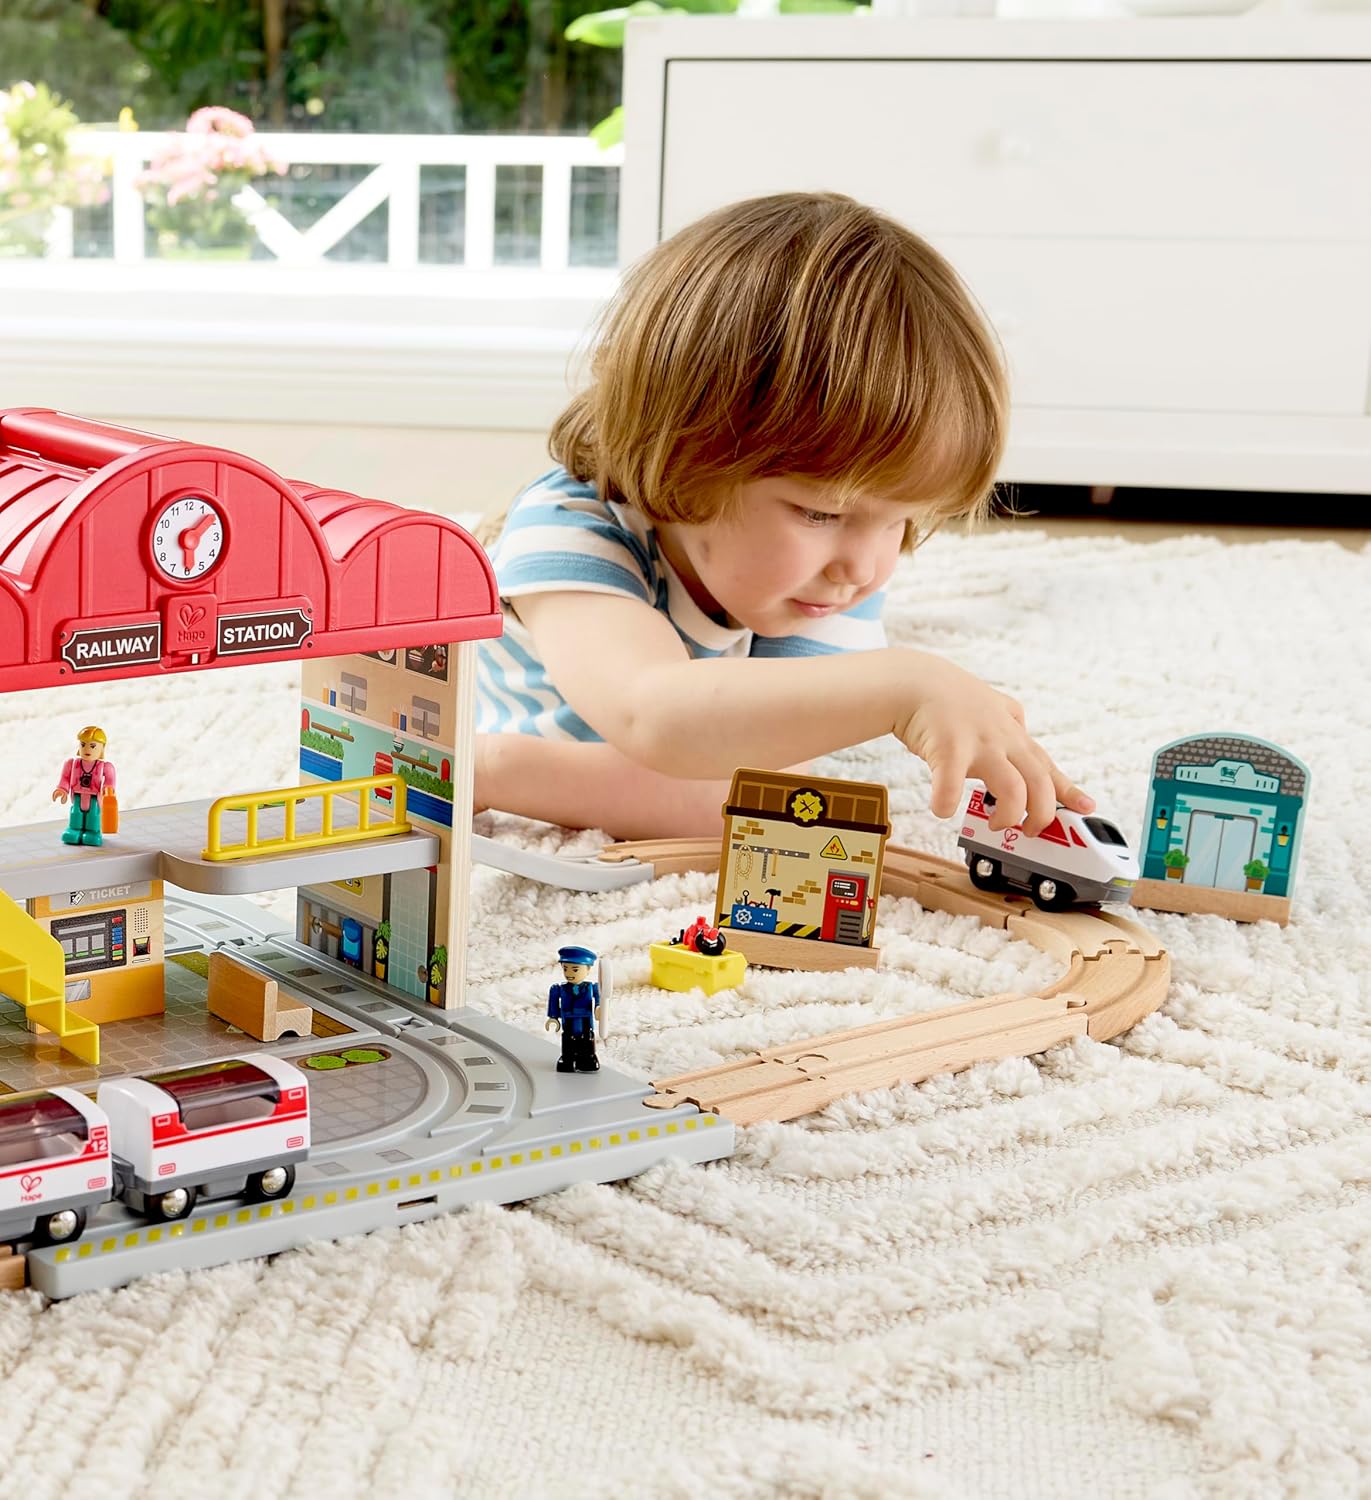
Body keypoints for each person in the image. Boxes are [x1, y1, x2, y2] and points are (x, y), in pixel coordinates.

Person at [475, 192, 1094, 841]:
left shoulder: (820, 581)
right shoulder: (570, 530)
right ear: (688, 451)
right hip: (552, 740)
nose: (863, 567)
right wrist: (498, 770)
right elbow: (650, 719)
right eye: (822, 513)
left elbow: (755, 788)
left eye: (898, 523)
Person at [53, 726, 115, 847]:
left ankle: (93, 832)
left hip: (94, 797)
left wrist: (107, 790)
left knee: (93, 814)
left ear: (102, 748)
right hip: (77, 795)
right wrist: (62, 789)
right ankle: (74, 829)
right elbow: (65, 778)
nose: (87, 749)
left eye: (92, 746)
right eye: (83, 744)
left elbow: (110, 781)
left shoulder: (106, 767)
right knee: (76, 812)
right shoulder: (72, 764)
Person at [545, 945, 602, 1074]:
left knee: (586, 1039)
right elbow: (554, 1003)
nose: (569, 974)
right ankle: (567, 1059)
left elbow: (599, 1000)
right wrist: (553, 1017)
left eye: (575, 970)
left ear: (587, 970)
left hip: (585, 1021)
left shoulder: (592, 987)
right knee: (568, 1039)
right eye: (565, 969)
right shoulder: (558, 988)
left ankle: (587, 1060)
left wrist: (599, 1009)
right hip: (568, 1021)